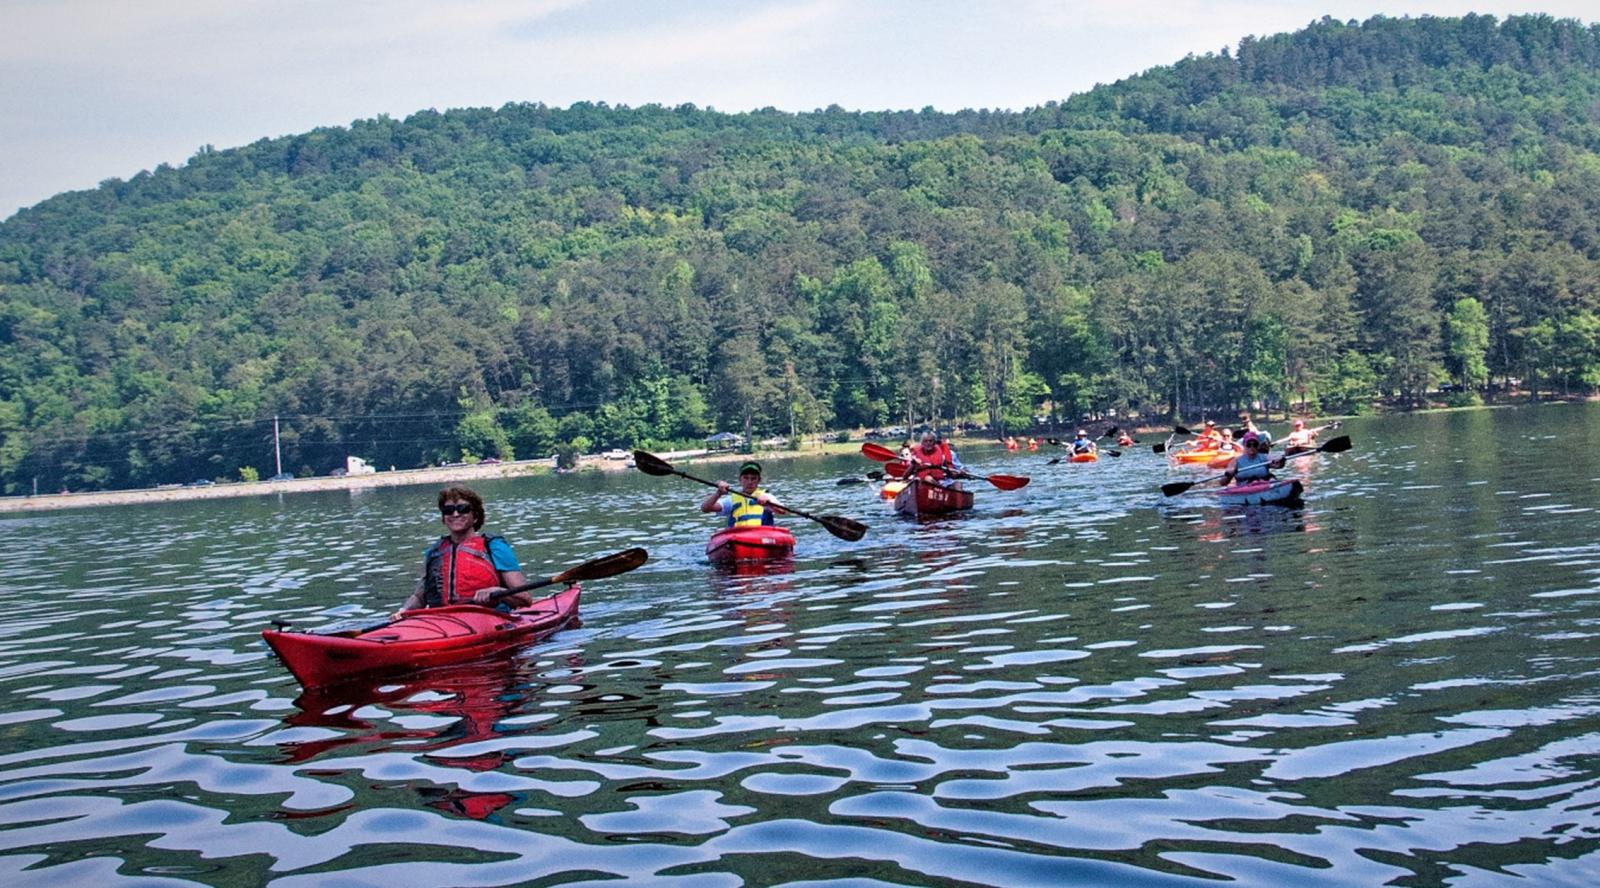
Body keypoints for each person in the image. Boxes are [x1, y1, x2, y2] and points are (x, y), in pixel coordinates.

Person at [395, 486, 531, 618]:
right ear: (443, 518)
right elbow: (419, 597)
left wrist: (498, 591)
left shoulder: (494, 546)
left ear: (475, 516)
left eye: (463, 509)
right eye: (448, 510)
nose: (455, 514)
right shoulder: (433, 552)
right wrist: (404, 611)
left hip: (489, 617)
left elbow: (524, 599)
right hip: (441, 620)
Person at [701, 460, 786, 527]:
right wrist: (718, 493)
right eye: (746, 478)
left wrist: (769, 504)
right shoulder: (731, 500)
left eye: (753, 478)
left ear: (759, 480)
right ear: (740, 480)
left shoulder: (767, 496)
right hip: (738, 537)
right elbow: (705, 508)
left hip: (762, 536)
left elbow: (783, 511)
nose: (749, 482)